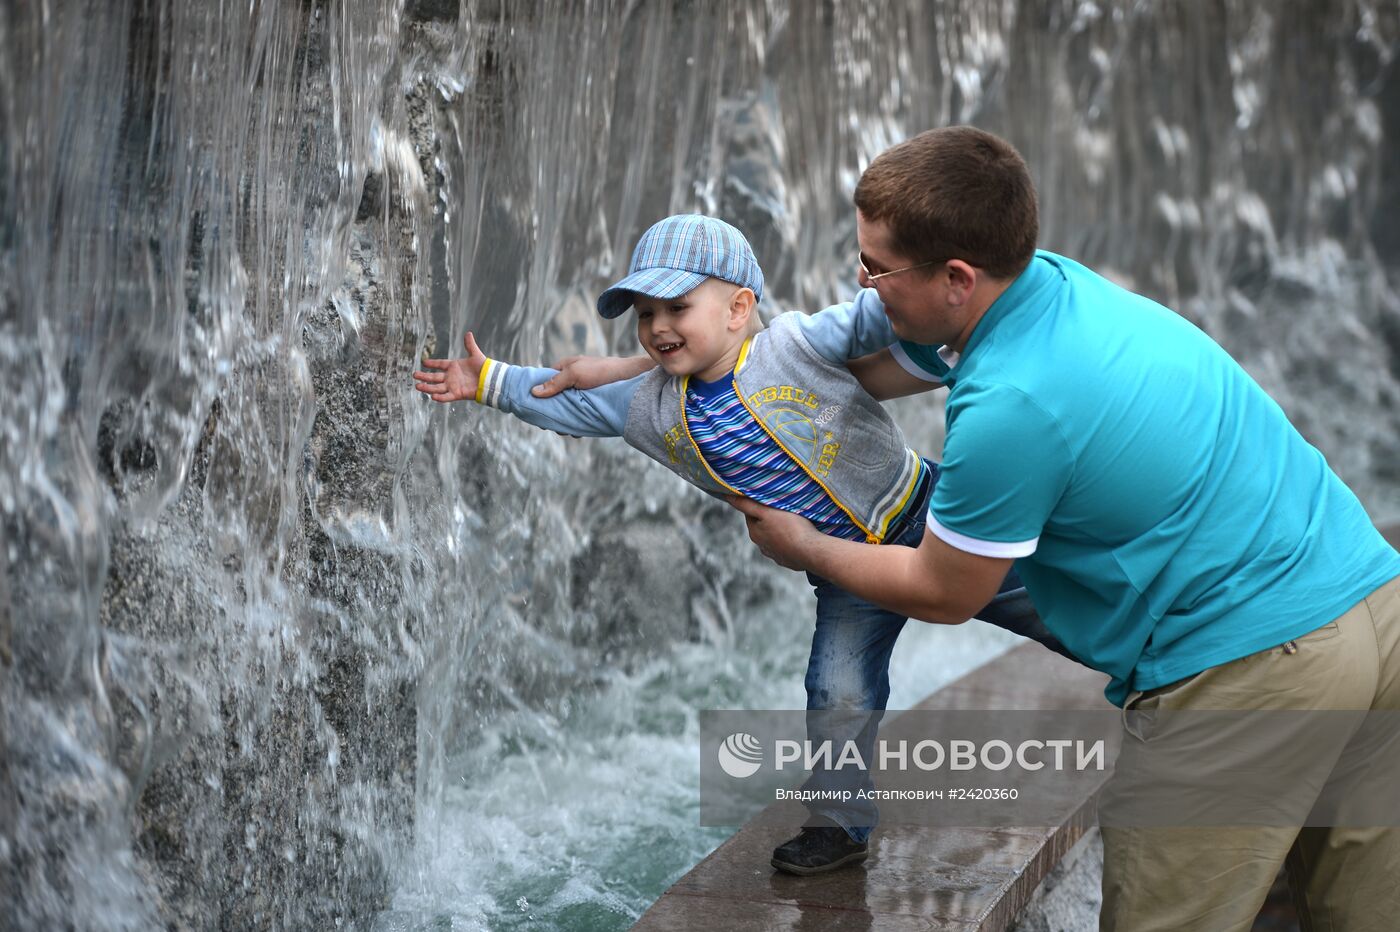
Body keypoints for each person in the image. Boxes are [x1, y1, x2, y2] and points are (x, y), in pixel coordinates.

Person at [542, 129, 1400, 930]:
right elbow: (803, 372)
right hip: (1372, 600)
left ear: (957, 276)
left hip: (1257, 664)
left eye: (875, 269)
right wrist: (635, 363)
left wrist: (799, 544)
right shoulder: (1048, 283)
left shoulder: (1009, 407)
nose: (863, 287)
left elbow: (944, 591)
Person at [412, 213, 1073, 876]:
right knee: (836, 691)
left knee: (1042, 602)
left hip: (922, 512)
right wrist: (490, 382)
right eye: (644, 314)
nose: (658, 328)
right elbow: (571, 402)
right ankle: (839, 825)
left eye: (676, 307)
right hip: (845, 573)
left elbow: (878, 315)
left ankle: (1140, 668)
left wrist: (939, 274)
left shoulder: (795, 344)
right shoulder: (649, 405)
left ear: (738, 309)